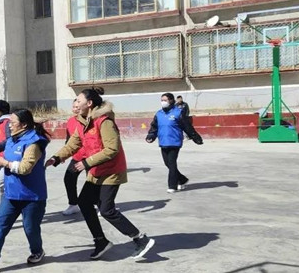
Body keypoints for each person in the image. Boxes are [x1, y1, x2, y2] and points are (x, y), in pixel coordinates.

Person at [47, 88, 154, 261]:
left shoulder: (104, 121)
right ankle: (100, 241)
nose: (75, 104)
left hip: (111, 171)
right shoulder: (81, 121)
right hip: (96, 171)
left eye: (78, 101)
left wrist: (86, 163)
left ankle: (141, 239)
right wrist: (56, 158)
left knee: (106, 210)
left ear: (89, 103)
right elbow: (73, 144)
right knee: (84, 202)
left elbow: (112, 149)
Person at [0, 109, 49, 272]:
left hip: (32, 196)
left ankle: (37, 251)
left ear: (23, 125)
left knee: (30, 228)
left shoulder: (34, 143)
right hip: (11, 194)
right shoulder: (13, 137)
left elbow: (25, 168)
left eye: (13, 123)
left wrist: (5, 163)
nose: (9, 125)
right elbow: (4, 144)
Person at [146, 92, 203, 193]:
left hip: (174, 142)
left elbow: (187, 126)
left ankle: (172, 186)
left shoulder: (178, 112)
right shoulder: (159, 114)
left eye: (165, 100)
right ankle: (182, 179)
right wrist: (151, 136)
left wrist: (196, 137)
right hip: (163, 142)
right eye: (162, 100)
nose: (163, 102)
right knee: (167, 163)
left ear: (171, 100)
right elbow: (154, 127)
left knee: (172, 164)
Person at [61, 98, 88, 216]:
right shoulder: (71, 121)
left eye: (78, 107)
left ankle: (102, 205)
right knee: (69, 178)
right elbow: (69, 140)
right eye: (74, 107)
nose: (75, 109)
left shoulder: (90, 120)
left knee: (93, 181)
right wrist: (63, 155)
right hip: (77, 155)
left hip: (91, 156)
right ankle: (73, 204)